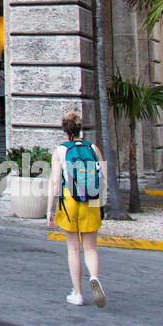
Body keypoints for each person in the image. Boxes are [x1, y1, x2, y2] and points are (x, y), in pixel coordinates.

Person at [46, 111, 106, 307]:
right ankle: (94, 277)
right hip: (91, 199)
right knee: (90, 247)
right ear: (81, 128)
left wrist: (50, 209)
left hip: (69, 200)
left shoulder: (60, 151)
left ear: (64, 129)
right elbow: (102, 177)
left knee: (73, 248)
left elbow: (55, 181)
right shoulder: (93, 148)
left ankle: (77, 293)